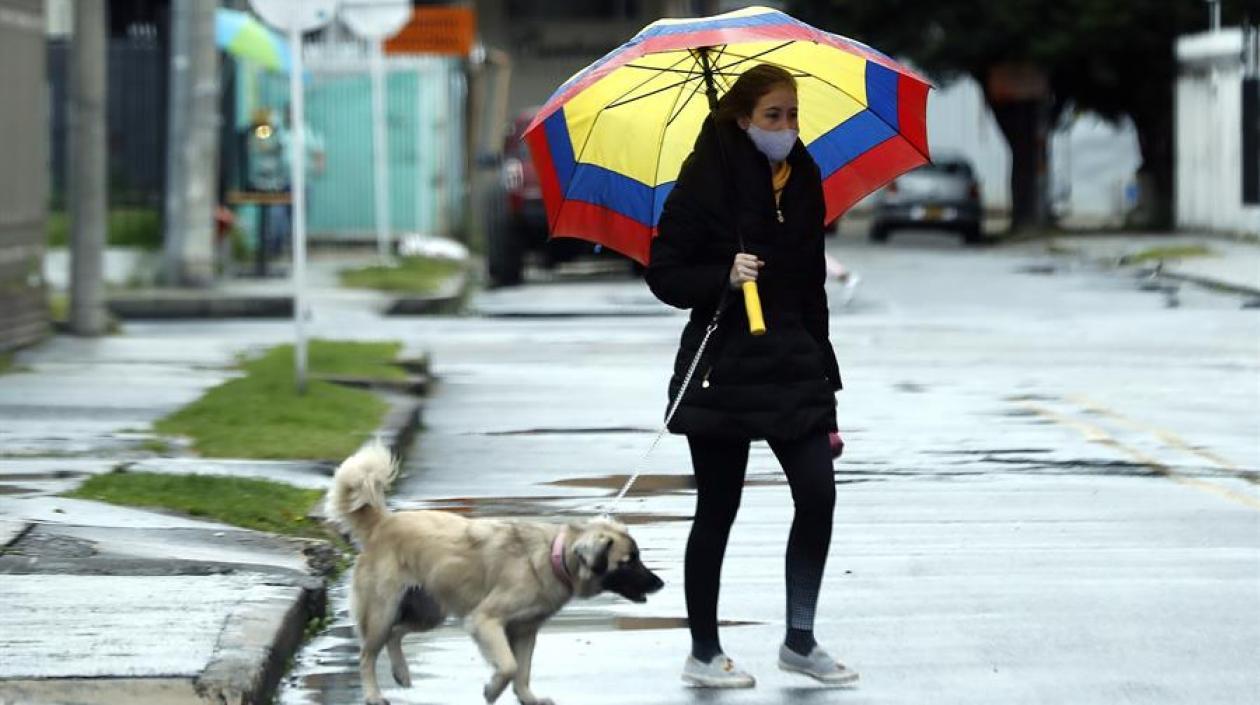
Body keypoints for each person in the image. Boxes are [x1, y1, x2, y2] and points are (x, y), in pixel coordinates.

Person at [645, 64, 857, 688]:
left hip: (794, 364)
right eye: (773, 116)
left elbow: (813, 287)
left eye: (792, 115)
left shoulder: (804, 178)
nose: (786, 128)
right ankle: (704, 652)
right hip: (724, 368)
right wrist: (723, 274)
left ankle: (800, 639)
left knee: (818, 494)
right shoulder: (705, 178)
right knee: (718, 507)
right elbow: (665, 274)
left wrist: (829, 386)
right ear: (742, 118)